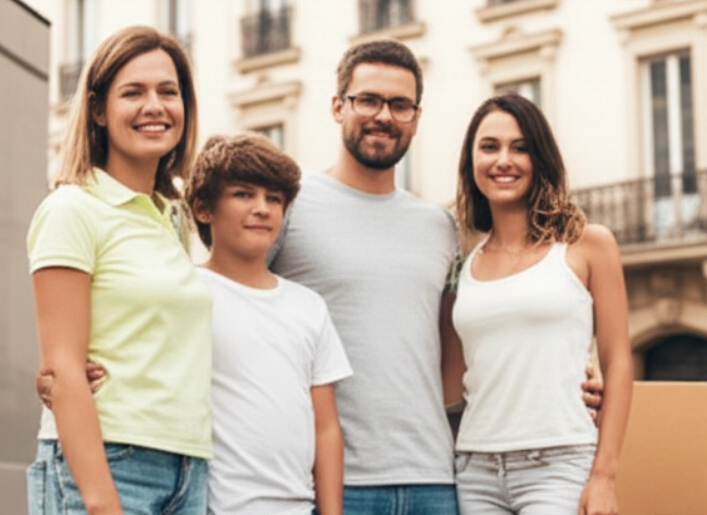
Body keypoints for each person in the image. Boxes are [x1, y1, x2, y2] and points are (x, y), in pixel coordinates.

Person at [267, 39, 462, 514]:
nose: (384, 116)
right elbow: (228, 303)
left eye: (400, 104)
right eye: (368, 100)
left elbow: (457, 351)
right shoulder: (287, 204)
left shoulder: (439, 226)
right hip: (327, 483)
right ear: (338, 107)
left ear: (416, 117)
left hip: (434, 481)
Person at [26, 26, 210, 515]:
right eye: (134, 92)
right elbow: (63, 367)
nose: (155, 106)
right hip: (110, 463)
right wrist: (102, 502)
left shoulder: (173, 218)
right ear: (99, 110)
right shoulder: (72, 209)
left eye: (168, 92)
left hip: (187, 468)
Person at [443, 93, 632, 515]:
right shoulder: (462, 261)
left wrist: (604, 475)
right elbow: (453, 378)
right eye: (489, 147)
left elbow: (618, 359)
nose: (504, 160)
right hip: (475, 468)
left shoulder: (588, 244)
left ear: (540, 158)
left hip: (560, 464)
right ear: (471, 163)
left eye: (520, 147)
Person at [186, 133, 352, 515]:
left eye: (274, 199)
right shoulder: (188, 293)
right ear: (203, 209)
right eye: (244, 194)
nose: (262, 208)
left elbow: (325, 427)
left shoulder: (308, 307)